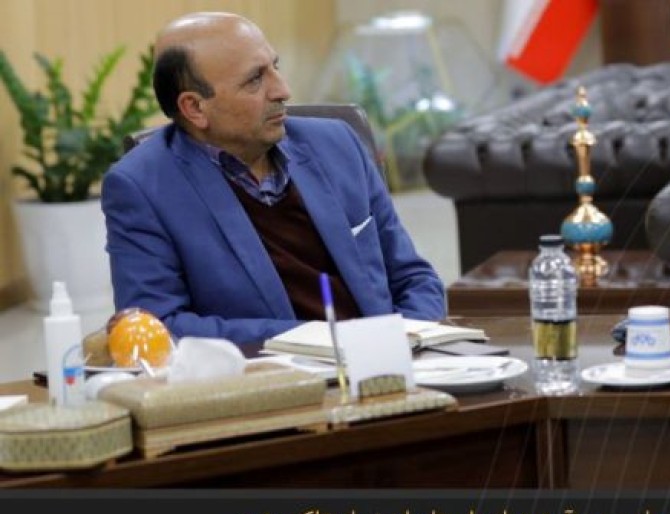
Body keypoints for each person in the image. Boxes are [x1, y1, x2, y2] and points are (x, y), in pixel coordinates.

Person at [102, 12, 445, 344]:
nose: (282, 90)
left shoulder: (337, 144)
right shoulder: (142, 186)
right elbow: (157, 325)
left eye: (274, 67)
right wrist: (313, 340)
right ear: (194, 107)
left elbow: (414, 277)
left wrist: (407, 341)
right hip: (270, 375)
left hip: (390, 360)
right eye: (255, 80)